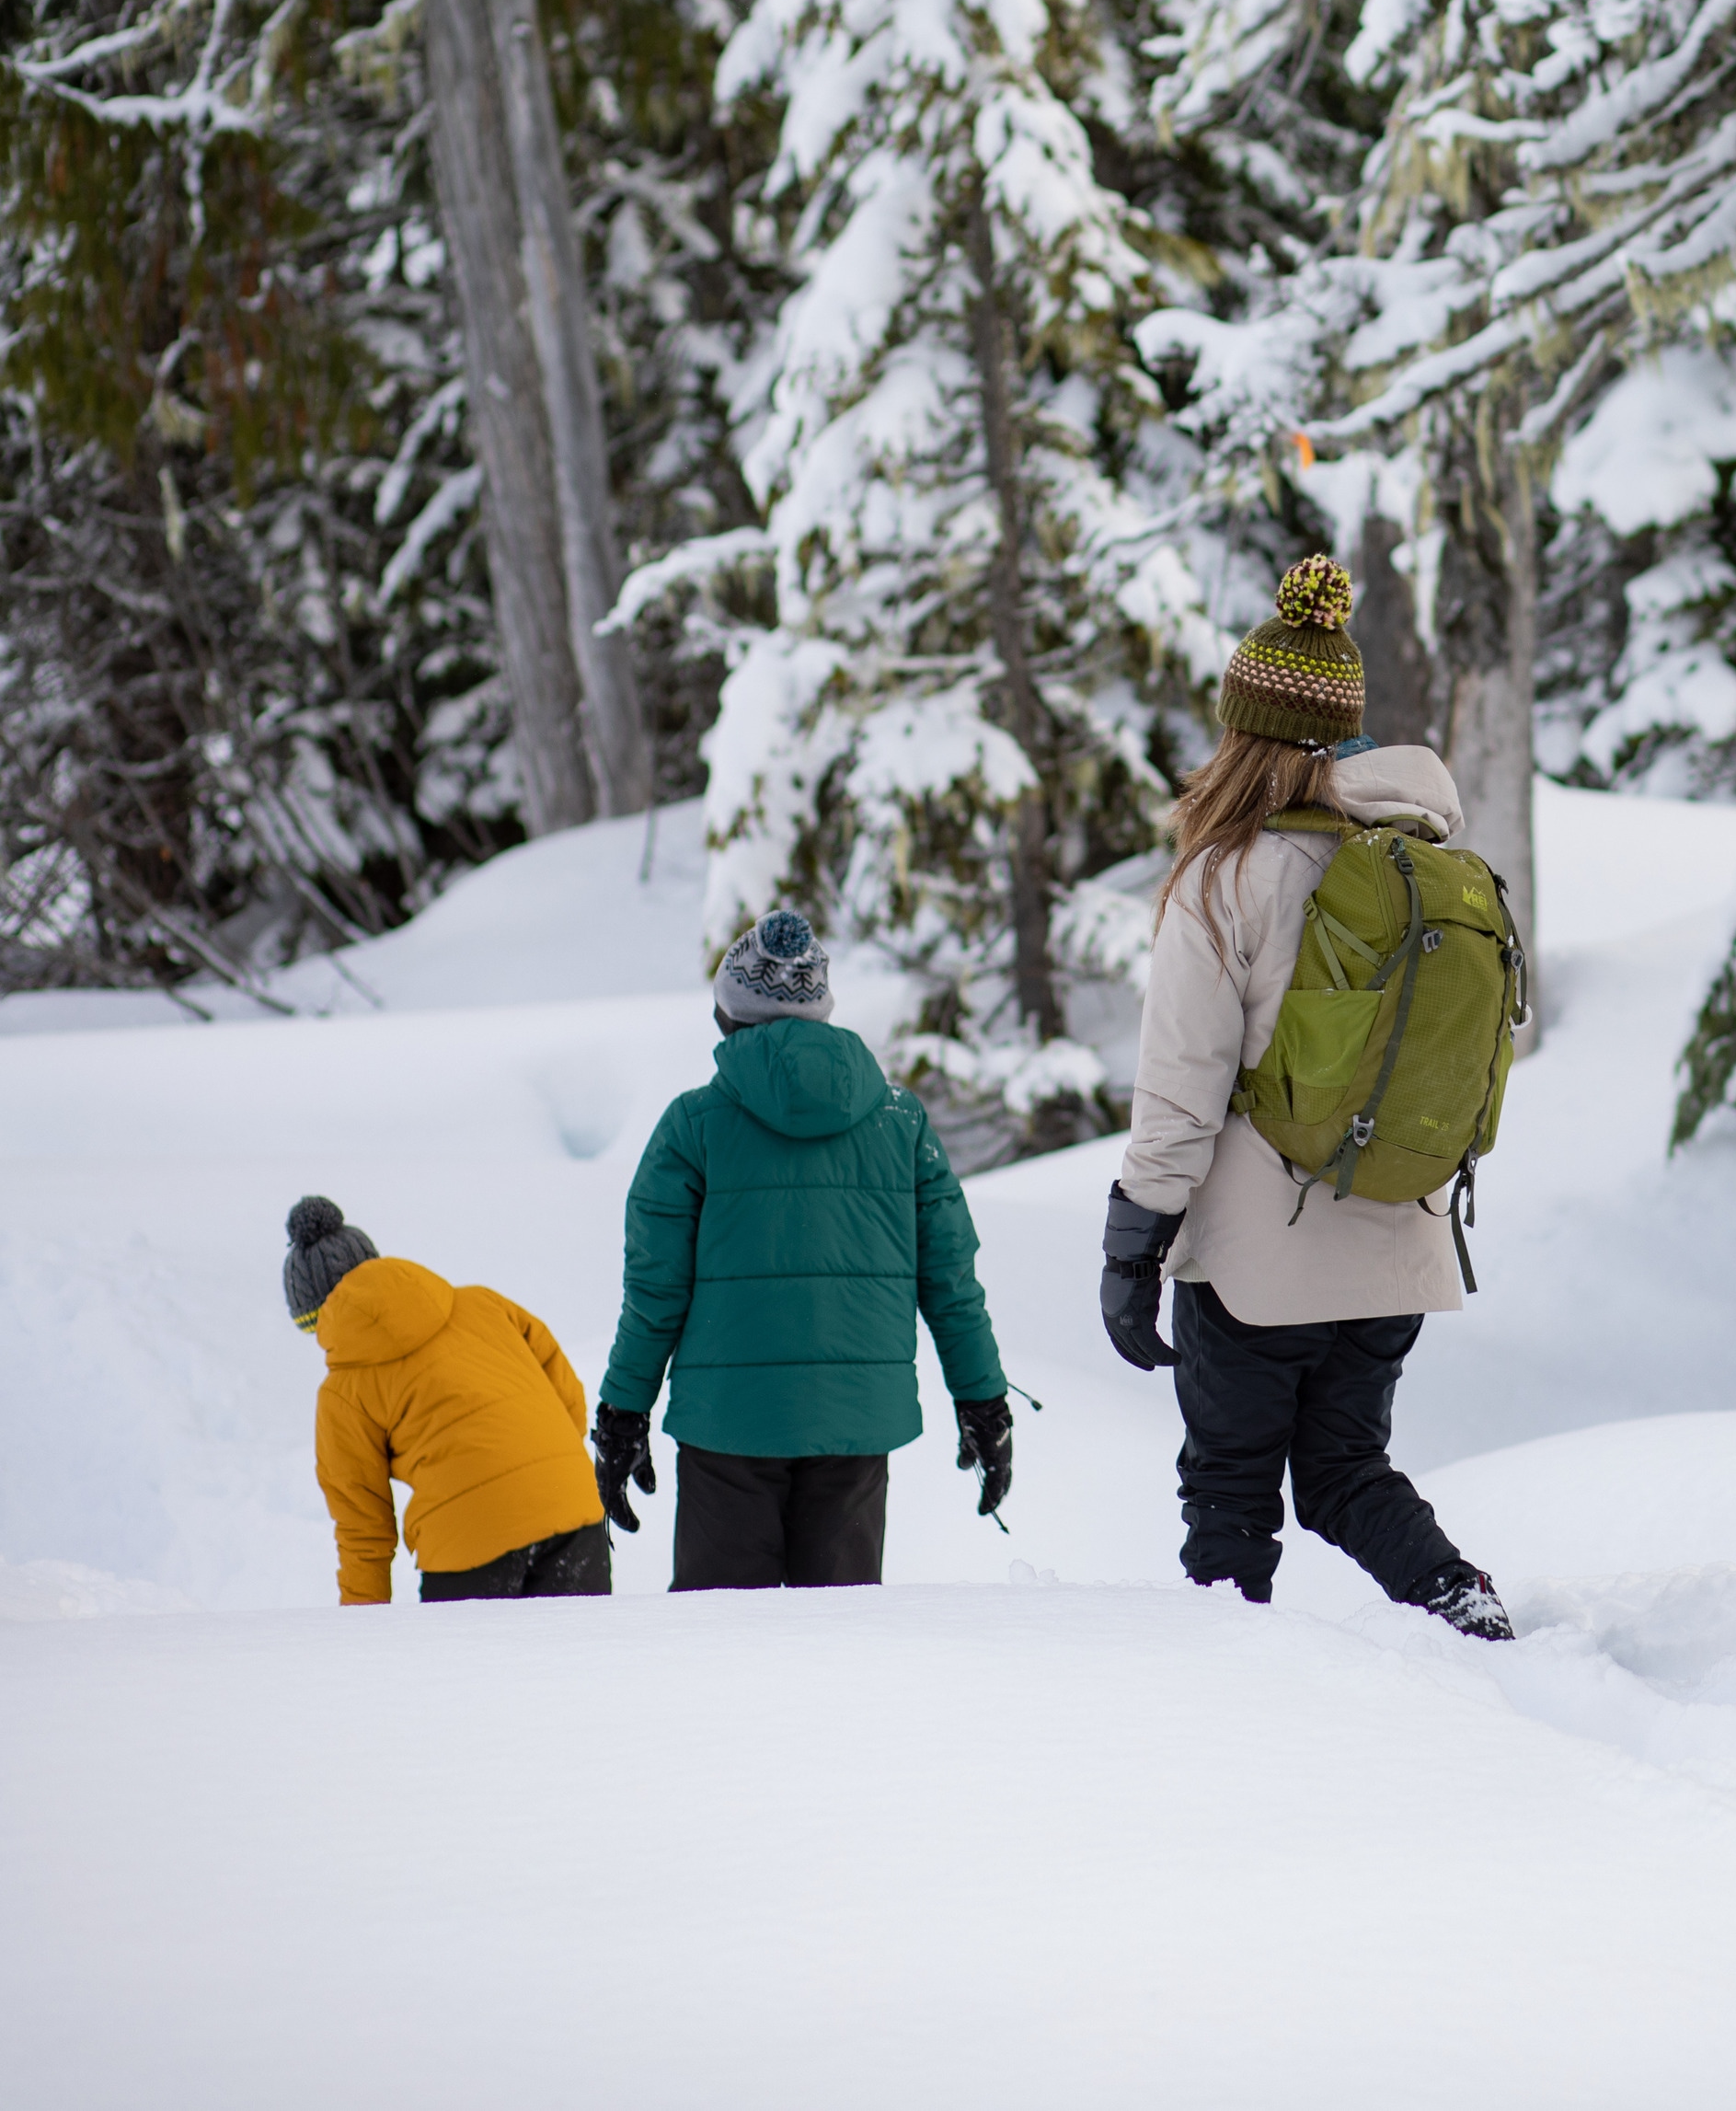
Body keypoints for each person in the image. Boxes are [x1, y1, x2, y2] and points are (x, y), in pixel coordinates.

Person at [1095, 555, 1514, 1639]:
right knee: (1342, 1470)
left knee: (1232, 1493)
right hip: (1394, 1241)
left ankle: (1235, 1702)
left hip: (1255, 1261)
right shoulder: (1427, 859)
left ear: (1241, 728)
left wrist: (1132, 1248)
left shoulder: (1224, 877)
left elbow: (1180, 1096)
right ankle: (1463, 1600)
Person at [592, 910, 1013, 1590]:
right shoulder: (900, 1122)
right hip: (856, 1420)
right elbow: (950, 1281)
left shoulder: (691, 1126)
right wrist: (982, 1400)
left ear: (730, 1017)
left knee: (724, 1646)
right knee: (837, 1652)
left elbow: (655, 1293)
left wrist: (622, 1412)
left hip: (727, 1424)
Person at [287, 1194, 613, 1605]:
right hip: (573, 1508)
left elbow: (363, 1531)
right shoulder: (485, 1304)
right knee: (576, 1666)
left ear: (318, 1318)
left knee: (471, 1671)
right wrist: (546, 1475)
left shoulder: (343, 1392)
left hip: (470, 1541)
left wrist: (362, 1631)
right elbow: (565, 1392)